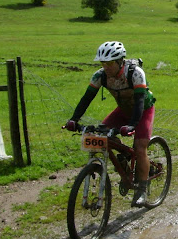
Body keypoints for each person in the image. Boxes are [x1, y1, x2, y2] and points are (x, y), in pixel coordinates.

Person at [65, 41, 156, 207]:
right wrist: (74, 119)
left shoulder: (136, 74)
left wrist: (132, 125)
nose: (106, 67)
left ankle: (142, 190)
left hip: (143, 111)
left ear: (120, 61)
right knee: (103, 136)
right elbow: (86, 99)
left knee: (140, 147)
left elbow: (140, 102)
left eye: (110, 63)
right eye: (103, 63)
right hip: (123, 110)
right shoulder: (100, 76)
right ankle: (126, 161)